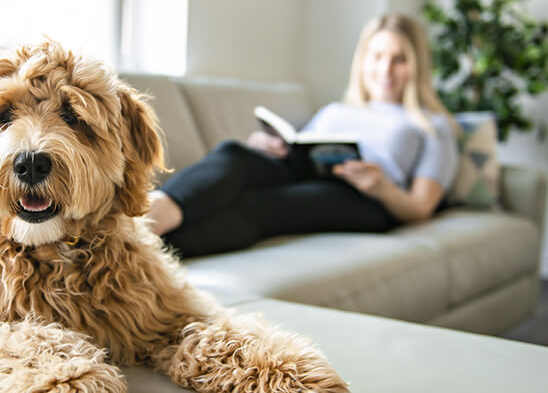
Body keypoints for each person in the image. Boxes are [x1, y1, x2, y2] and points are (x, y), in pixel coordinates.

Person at [147, 14, 460, 258]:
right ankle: (147, 218)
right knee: (233, 154)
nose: (385, 69)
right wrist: (267, 148)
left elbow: (421, 207)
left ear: (416, 65)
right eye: (377, 56)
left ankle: (143, 249)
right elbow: (301, 150)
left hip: (364, 199)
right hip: (305, 175)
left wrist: (383, 189)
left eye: (399, 59)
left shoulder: (433, 125)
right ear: (363, 60)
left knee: (258, 206)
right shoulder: (337, 110)